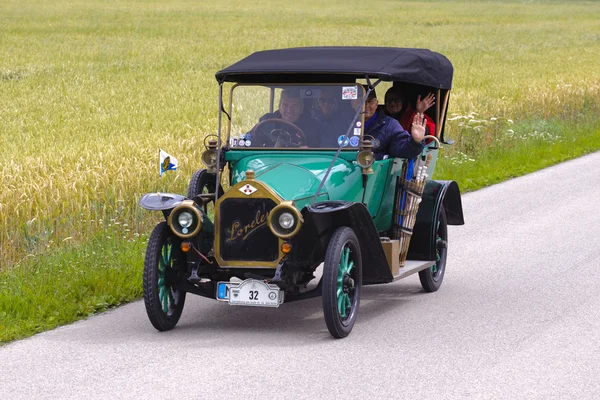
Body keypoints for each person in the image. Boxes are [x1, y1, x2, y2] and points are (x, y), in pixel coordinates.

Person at [363, 89, 426, 159]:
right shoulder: (348, 122)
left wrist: (415, 141)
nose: (366, 105)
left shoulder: (390, 125)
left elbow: (402, 149)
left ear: (376, 104)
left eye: (370, 101)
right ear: (352, 103)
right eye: (361, 101)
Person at [249, 88, 321, 147]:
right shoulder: (267, 121)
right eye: (285, 105)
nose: (289, 110)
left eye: (294, 106)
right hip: (269, 160)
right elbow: (249, 139)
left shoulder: (312, 126)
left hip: (299, 162)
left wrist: (308, 151)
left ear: (301, 108)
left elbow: (318, 152)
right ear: (279, 107)